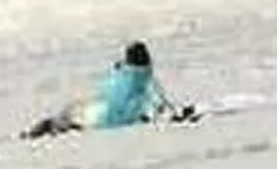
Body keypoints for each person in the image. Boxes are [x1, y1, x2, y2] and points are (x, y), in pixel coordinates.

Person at [22, 41, 188, 138]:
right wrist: (176, 116)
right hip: (116, 119)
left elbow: (104, 90)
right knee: (71, 123)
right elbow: (159, 103)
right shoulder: (147, 79)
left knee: (60, 119)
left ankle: (35, 133)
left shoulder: (120, 72)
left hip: (99, 112)